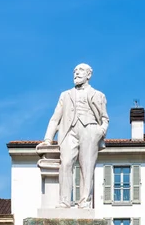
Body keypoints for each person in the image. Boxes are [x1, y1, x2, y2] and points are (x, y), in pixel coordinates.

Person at [40, 63, 109, 208]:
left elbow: (104, 118)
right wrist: (48, 139)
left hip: (90, 130)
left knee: (87, 167)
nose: (76, 73)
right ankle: (64, 200)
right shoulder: (65, 95)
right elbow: (55, 118)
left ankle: (85, 202)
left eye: (81, 70)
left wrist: (101, 131)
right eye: (75, 71)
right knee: (65, 164)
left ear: (89, 75)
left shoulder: (98, 95)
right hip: (68, 131)